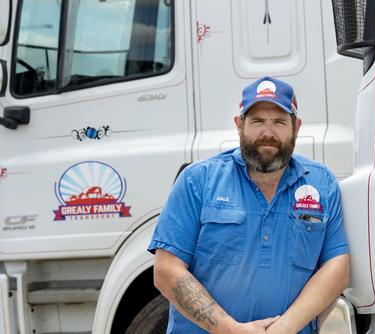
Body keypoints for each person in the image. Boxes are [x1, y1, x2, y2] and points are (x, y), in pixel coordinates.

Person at [149, 76, 350, 334]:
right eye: (257, 121)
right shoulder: (198, 181)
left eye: (279, 122)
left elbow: (337, 268)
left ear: (296, 127)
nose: (268, 133)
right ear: (239, 125)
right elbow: (166, 270)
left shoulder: (322, 185)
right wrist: (231, 330)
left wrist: (283, 329)